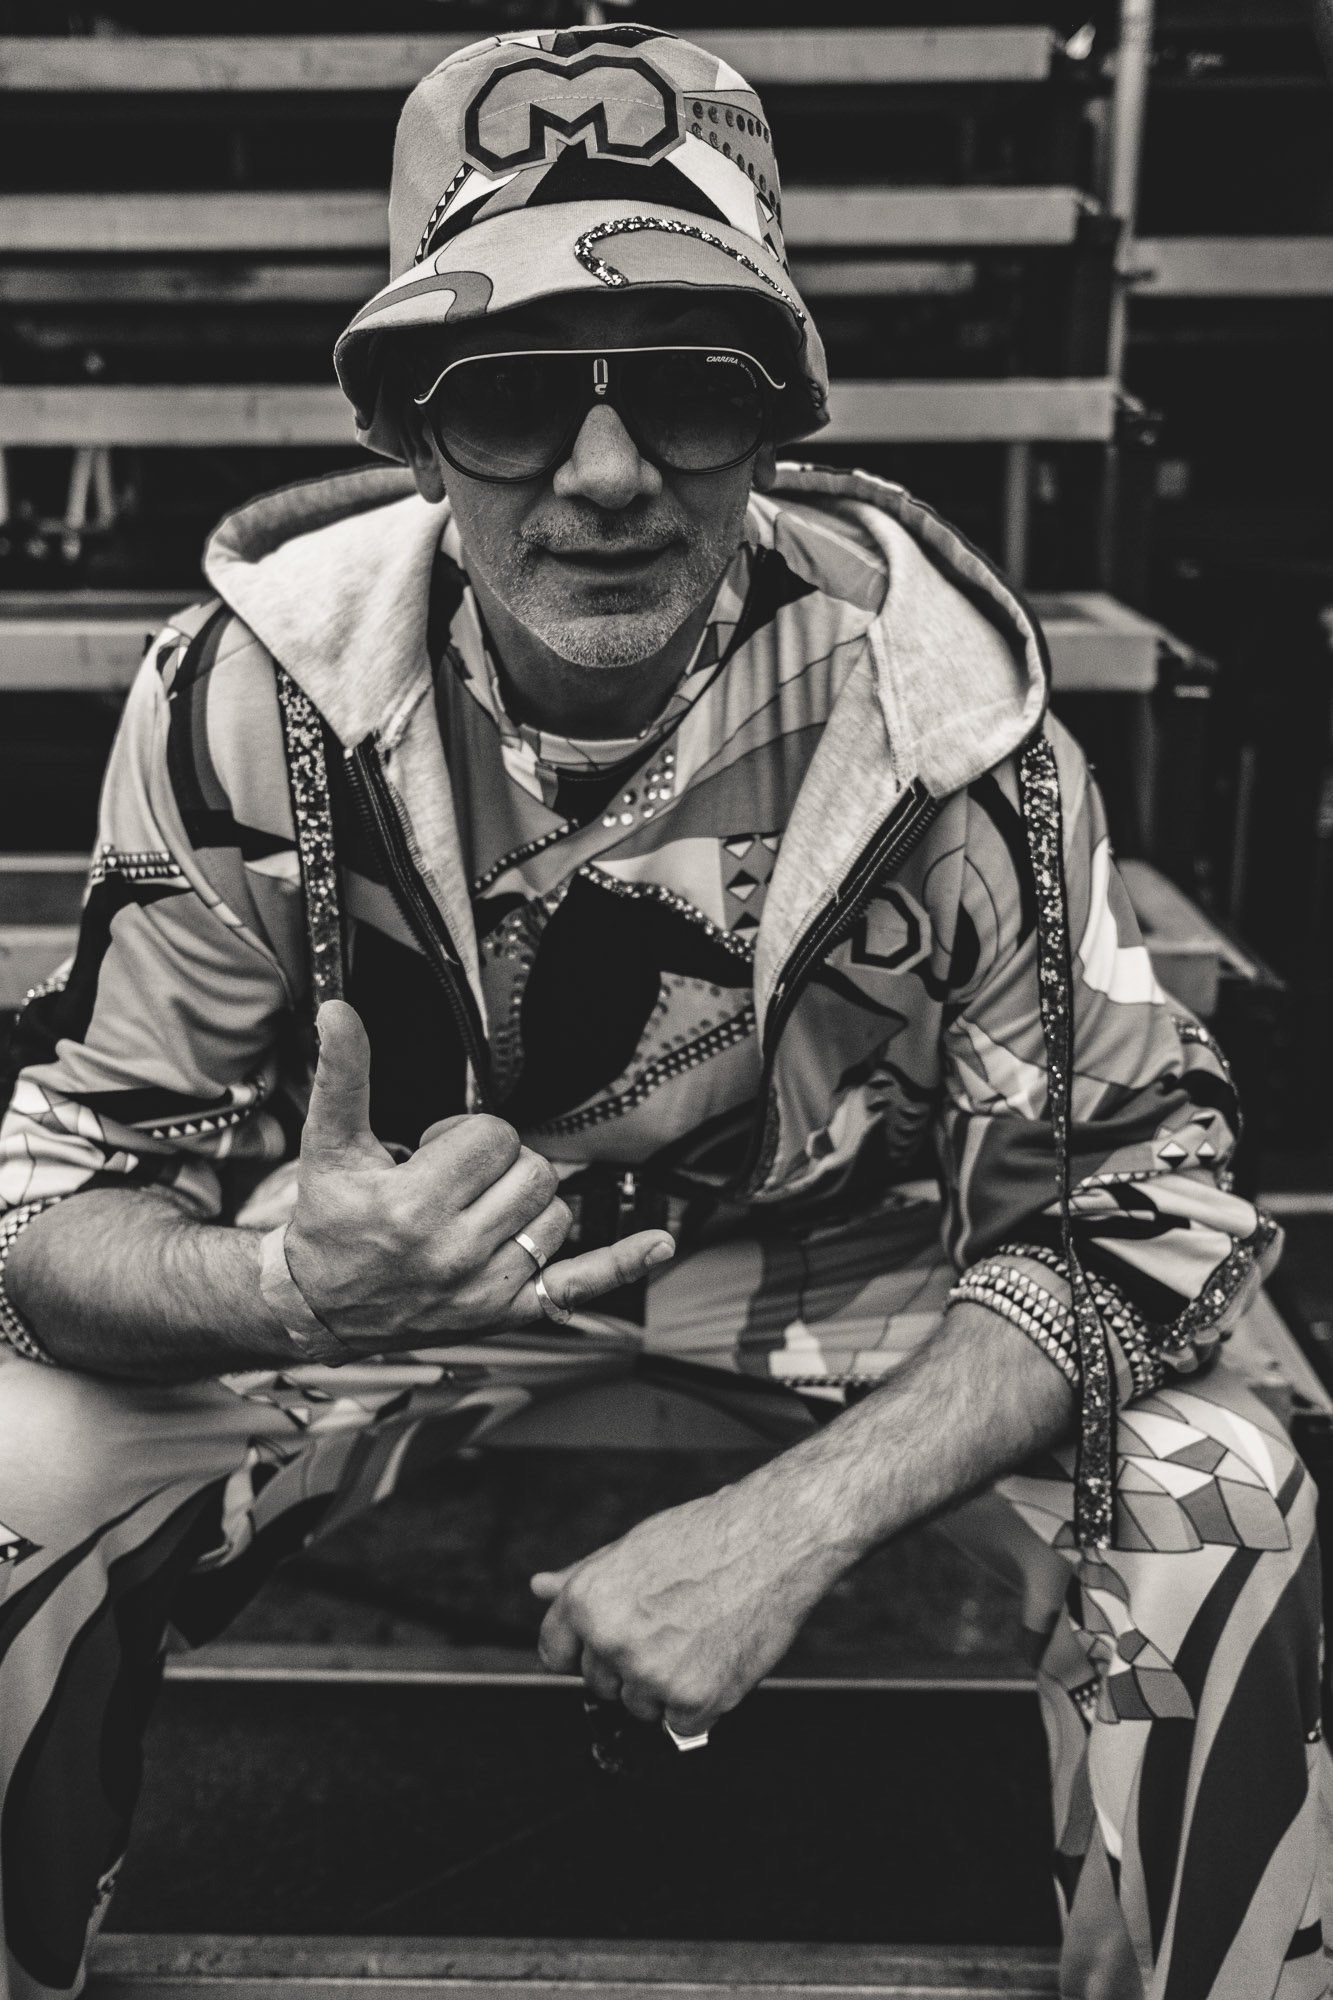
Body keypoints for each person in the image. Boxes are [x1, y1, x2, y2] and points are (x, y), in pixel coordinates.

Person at [0, 26, 1320, 2000]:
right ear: (410, 428)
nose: (607, 475)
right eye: (515, 390)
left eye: (690, 388)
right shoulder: (246, 692)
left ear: (776, 419)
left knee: (1230, 1501)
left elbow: (1137, 1207)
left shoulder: (950, 710)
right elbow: (49, 1208)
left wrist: (784, 1524)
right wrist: (282, 1282)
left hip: (850, 1268)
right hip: (395, 1276)